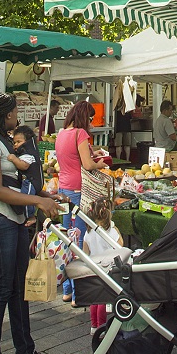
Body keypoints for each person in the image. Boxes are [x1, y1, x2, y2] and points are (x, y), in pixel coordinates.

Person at [0, 92, 62, 354]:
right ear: (5, 114)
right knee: (1, 289)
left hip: (12, 221)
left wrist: (45, 196)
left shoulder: (1, 140)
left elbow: (16, 181)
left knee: (18, 290)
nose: (17, 114)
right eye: (14, 110)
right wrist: (36, 200)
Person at [54, 100, 105, 303]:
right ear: (86, 117)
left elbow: (71, 158)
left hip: (63, 188)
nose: (92, 122)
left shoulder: (62, 133)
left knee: (66, 238)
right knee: (79, 240)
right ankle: (78, 294)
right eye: (91, 118)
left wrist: (92, 154)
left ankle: (67, 289)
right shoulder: (80, 134)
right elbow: (87, 164)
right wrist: (99, 163)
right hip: (78, 190)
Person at [83, 196, 123, 332]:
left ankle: (94, 325)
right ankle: (102, 326)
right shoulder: (111, 231)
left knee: (94, 300)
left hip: (93, 268)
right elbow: (121, 247)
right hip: (107, 269)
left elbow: (85, 250)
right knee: (103, 300)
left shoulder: (88, 232)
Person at [10, 124, 43, 224]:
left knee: (27, 198)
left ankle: (31, 216)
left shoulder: (28, 154)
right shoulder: (25, 152)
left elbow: (23, 166)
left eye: (19, 142)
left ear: (27, 142)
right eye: (14, 142)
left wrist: (13, 159)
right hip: (29, 180)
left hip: (30, 181)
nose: (16, 145)